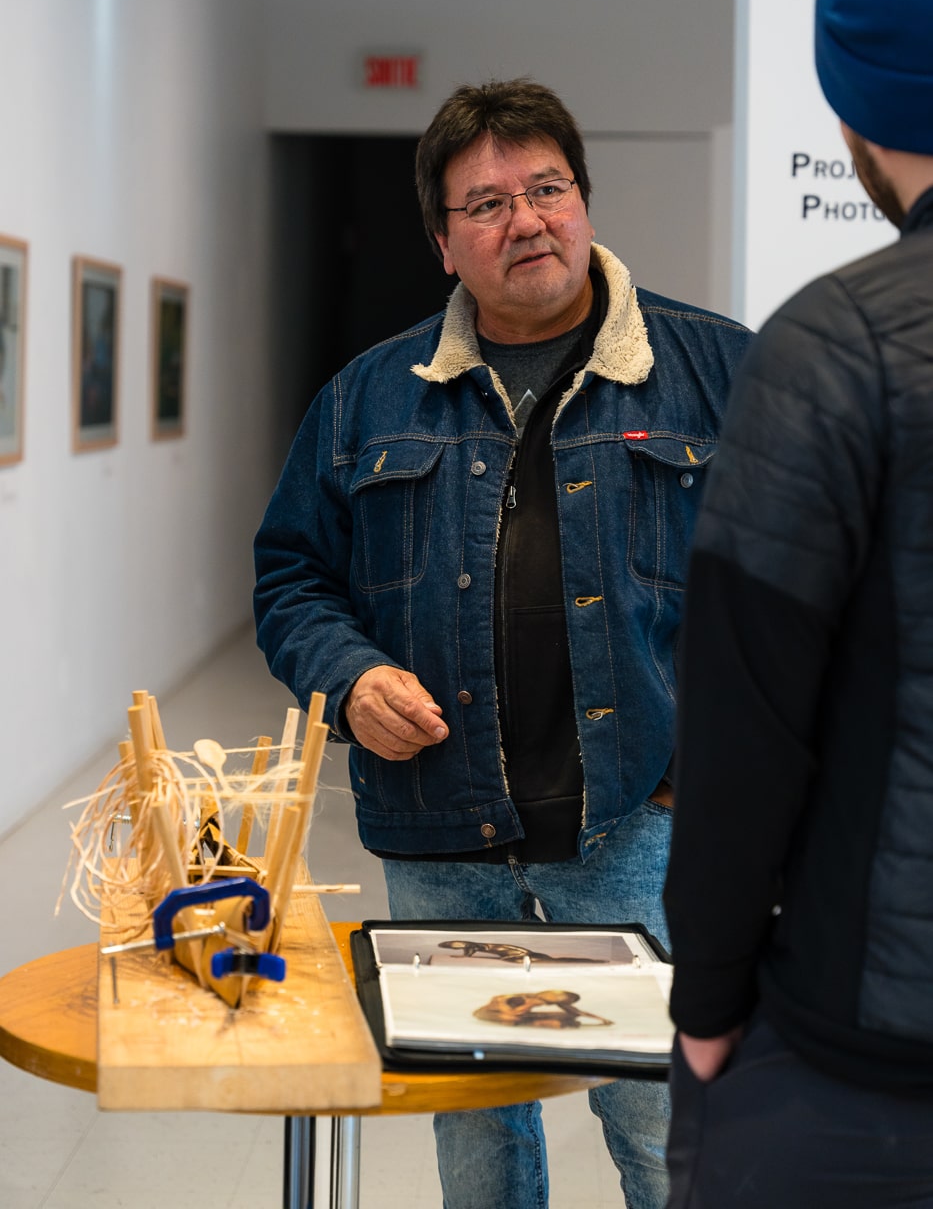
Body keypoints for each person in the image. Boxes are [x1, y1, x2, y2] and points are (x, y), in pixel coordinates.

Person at [254, 77, 750, 1209]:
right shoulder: (365, 399)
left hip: (639, 822)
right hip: (442, 829)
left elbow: (802, 584)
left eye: (547, 188)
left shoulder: (720, 371)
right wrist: (350, 675)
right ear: (442, 243)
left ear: (584, 200)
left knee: (667, 1135)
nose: (525, 220)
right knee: (477, 1142)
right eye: (486, 203)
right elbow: (292, 577)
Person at [663, 0, 933, 1209]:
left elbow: (744, 723)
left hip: (868, 1057)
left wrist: (707, 999)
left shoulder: (840, 345)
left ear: (856, 121)